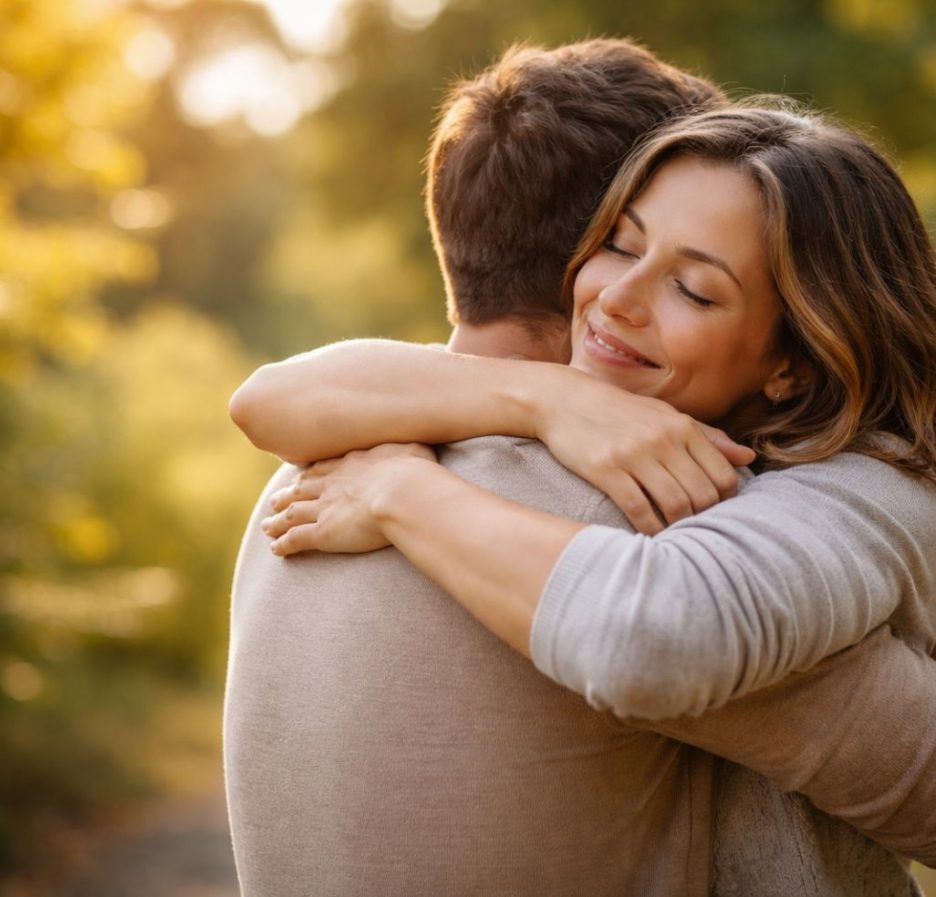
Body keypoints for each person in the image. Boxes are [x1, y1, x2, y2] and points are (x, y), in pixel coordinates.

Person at [232, 100, 936, 894]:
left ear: (794, 363)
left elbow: (658, 637)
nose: (618, 297)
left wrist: (403, 492)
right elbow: (260, 398)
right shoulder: (598, 479)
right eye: (620, 244)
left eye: (696, 290)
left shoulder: (810, 497)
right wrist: (545, 398)